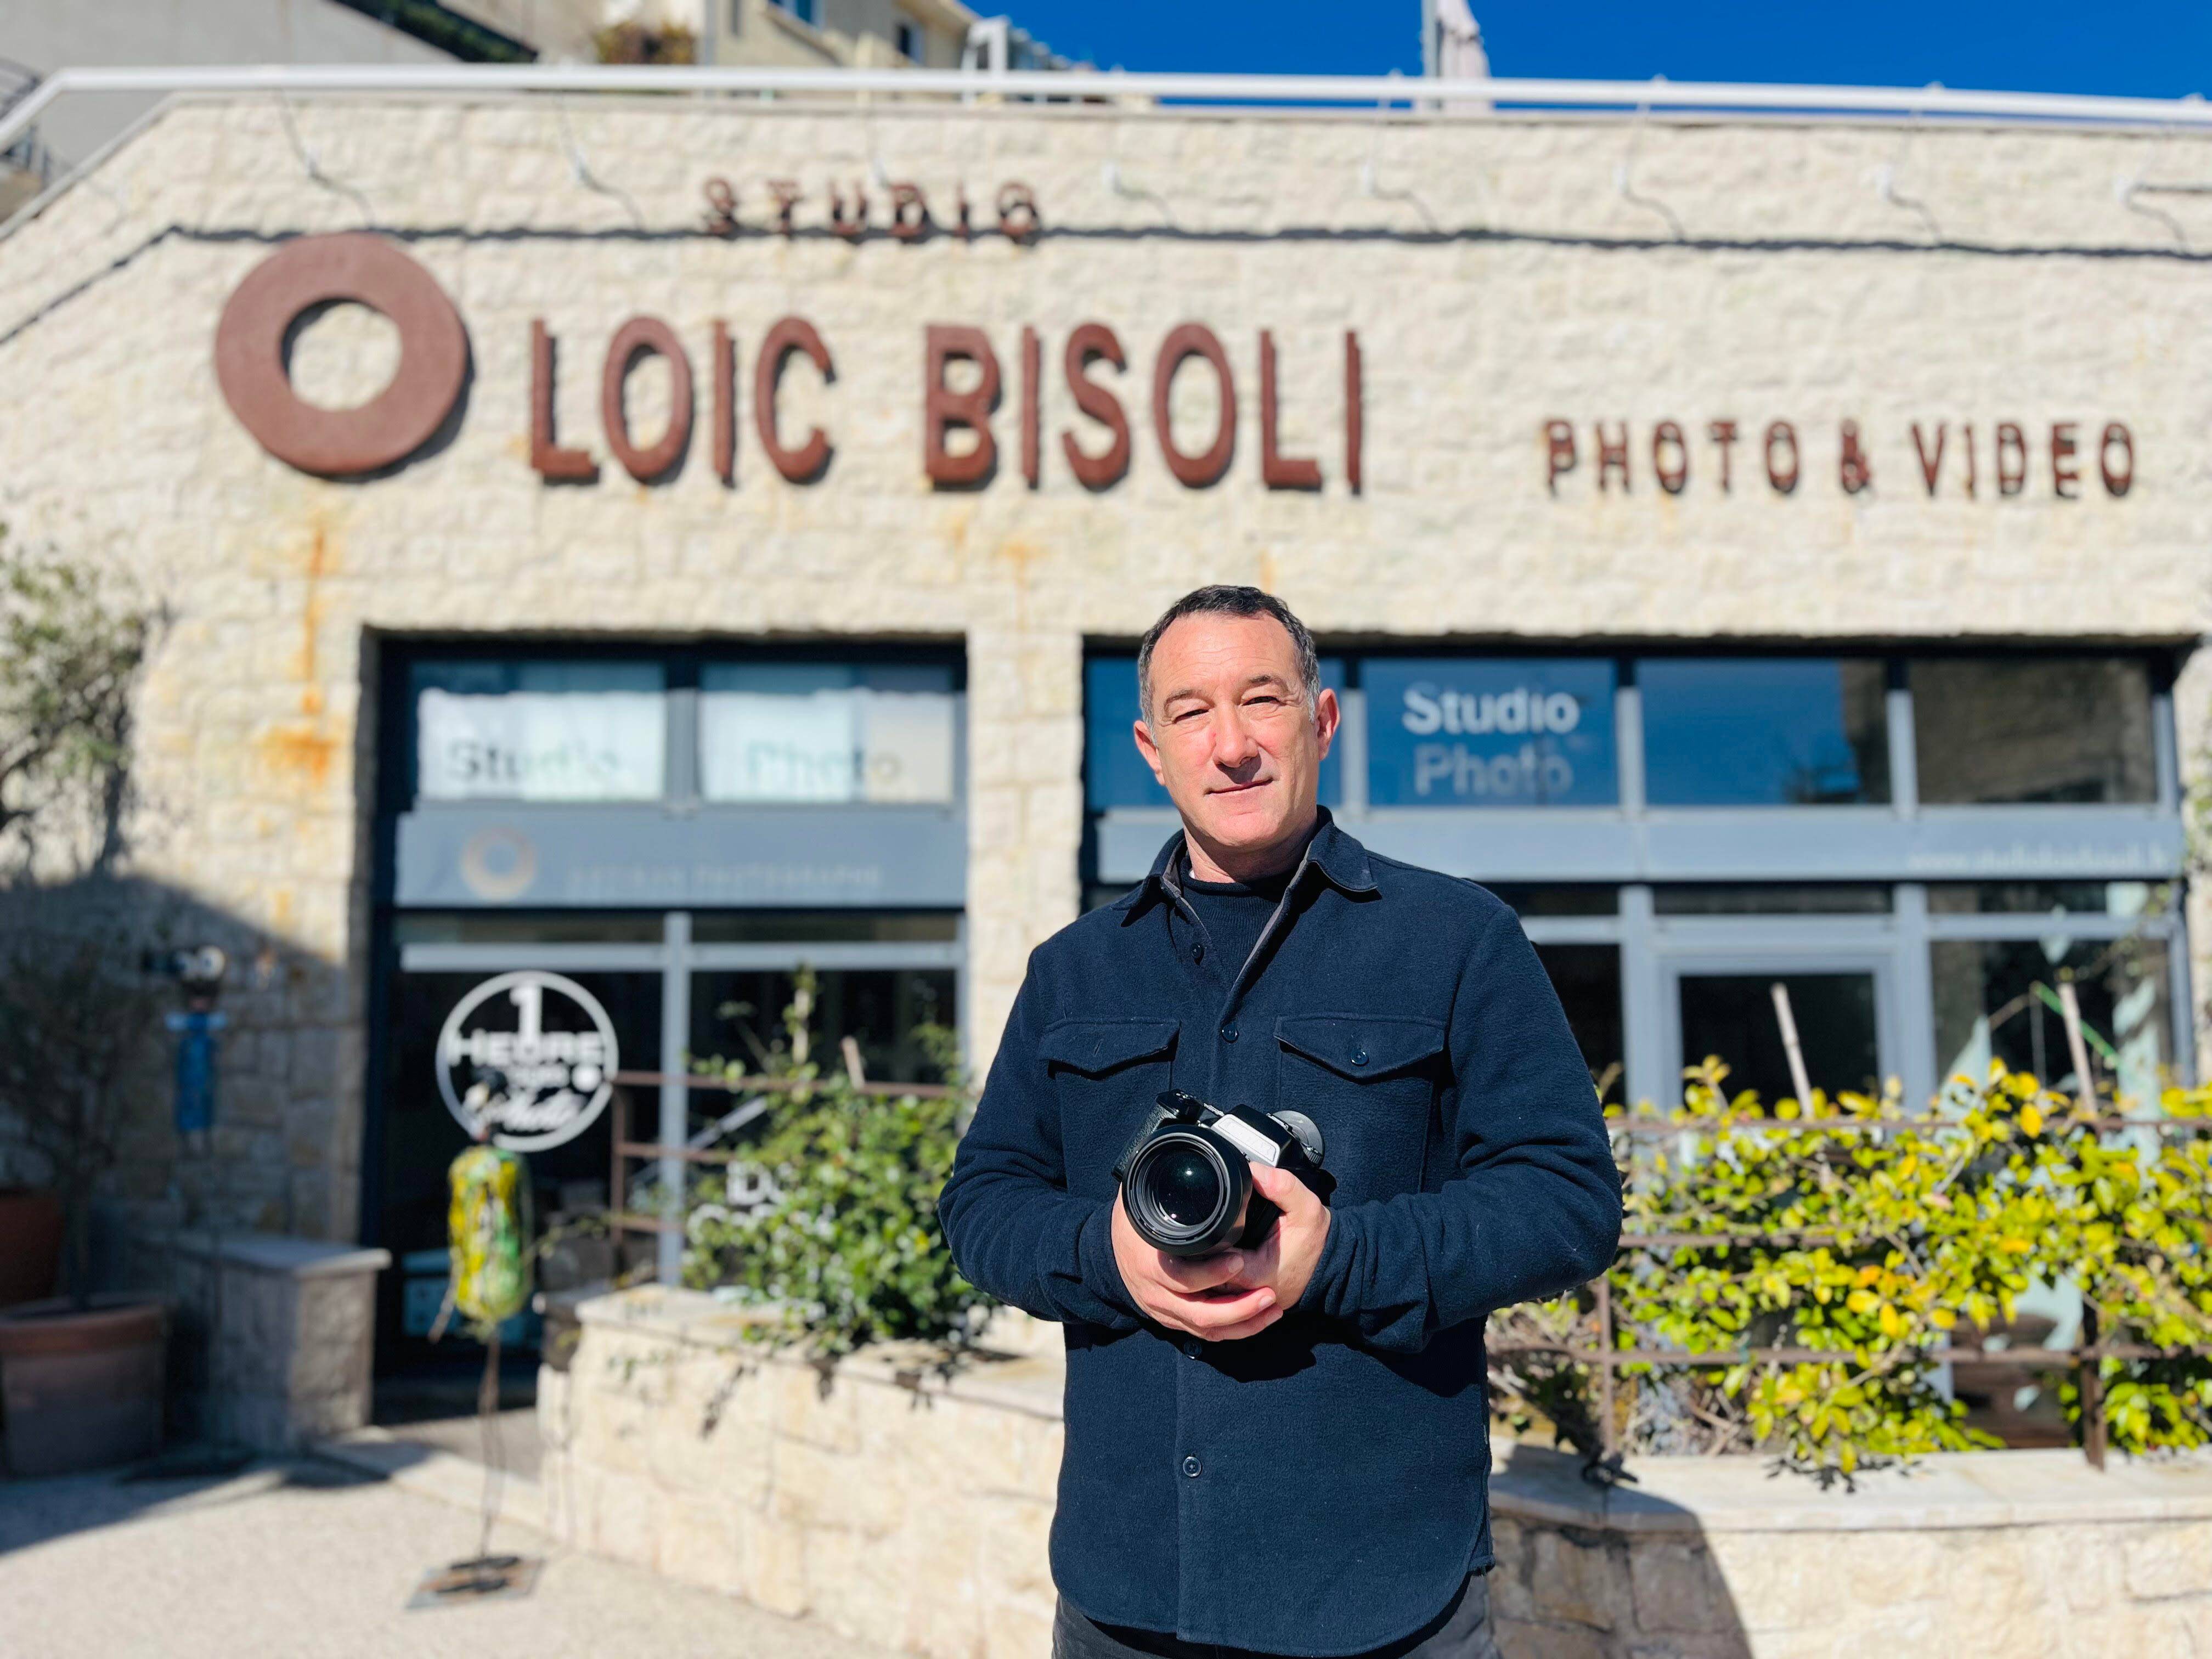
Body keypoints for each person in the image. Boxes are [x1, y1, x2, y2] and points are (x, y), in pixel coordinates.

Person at [938, 586, 1622, 1659]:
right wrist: (1105, 1252)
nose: (1233, 745)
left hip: (1384, 1598)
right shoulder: (1074, 970)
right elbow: (982, 1205)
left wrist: (1339, 1260)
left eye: (1262, 701)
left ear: (1323, 720)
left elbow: (1568, 1201)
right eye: (1192, 712)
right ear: (1151, 749)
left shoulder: (1458, 940)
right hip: (1126, 1596)